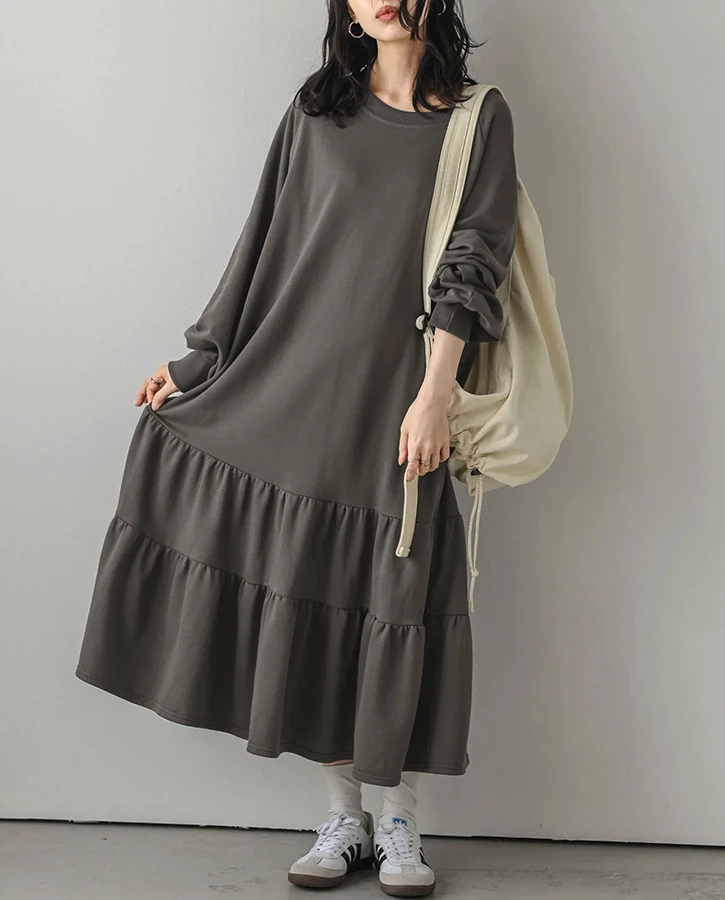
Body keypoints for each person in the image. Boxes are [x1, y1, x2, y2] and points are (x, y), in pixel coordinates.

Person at [75, 0, 518, 895]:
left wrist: (436, 395)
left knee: (390, 591)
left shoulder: (479, 118)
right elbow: (264, 245)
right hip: (294, 385)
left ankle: (399, 819)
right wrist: (199, 359)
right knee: (316, 586)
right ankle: (344, 818)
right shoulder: (319, 110)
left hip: (396, 401)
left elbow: (474, 262)